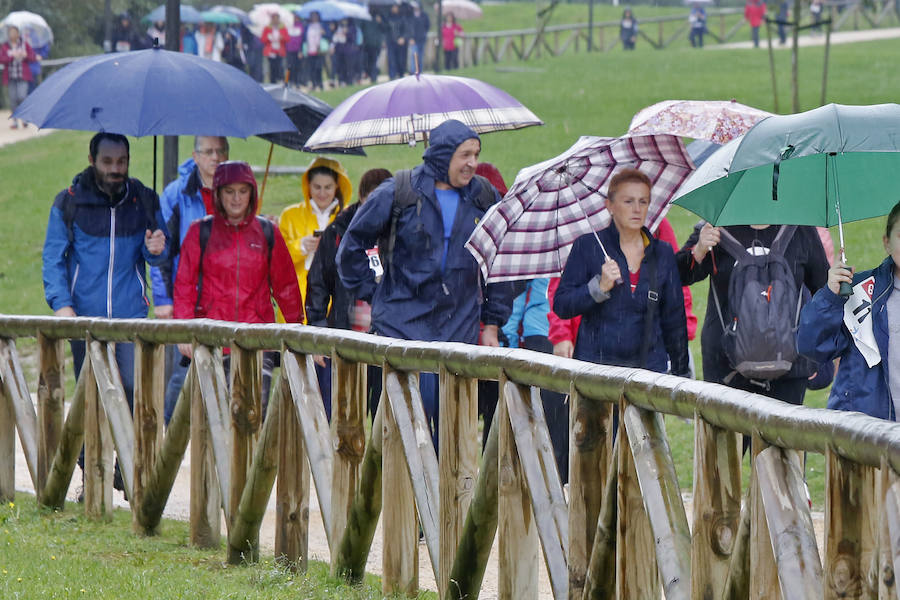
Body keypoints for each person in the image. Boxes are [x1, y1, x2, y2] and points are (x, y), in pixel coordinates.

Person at [337, 119, 514, 448]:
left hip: (458, 329)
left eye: (476, 154)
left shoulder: (483, 196)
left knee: (452, 435)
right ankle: (399, 500)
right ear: (443, 155)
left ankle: (447, 500)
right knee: (403, 431)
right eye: (464, 155)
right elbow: (350, 248)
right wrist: (376, 295)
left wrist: (491, 322)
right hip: (401, 329)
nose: (472, 163)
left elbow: (501, 260)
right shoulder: (398, 191)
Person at [42, 132, 169, 495]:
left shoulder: (144, 198)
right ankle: (88, 478)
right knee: (90, 397)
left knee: (134, 389)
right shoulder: (69, 203)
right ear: (92, 159)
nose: (116, 169)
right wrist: (63, 307)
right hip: (85, 318)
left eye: (122, 162)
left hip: (130, 316)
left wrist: (156, 249)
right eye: (108, 162)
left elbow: (156, 257)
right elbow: (53, 259)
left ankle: (127, 467)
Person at [173, 161, 303, 411]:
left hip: (258, 338)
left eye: (243, 191)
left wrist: (298, 329)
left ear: (252, 193)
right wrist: (184, 328)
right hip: (211, 338)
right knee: (212, 418)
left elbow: (286, 285)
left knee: (254, 414)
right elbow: (185, 284)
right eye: (229, 191)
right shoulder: (200, 232)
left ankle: (252, 453)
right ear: (218, 193)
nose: (236, 198)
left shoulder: (268, 232)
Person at [676, 221, 828, 416]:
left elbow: (822, 289)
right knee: (727, 446)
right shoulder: (715, 227)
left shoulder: (800, 228)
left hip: (789, 367)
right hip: (726, 369)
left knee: (785, 444)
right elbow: (678, 276)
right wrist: (699, 250)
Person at [553, 168, 690, 379]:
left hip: (649, 376)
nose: (637, 209)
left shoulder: (662, 253)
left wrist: (681, 374)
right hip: (595, 375)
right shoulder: (587, 246)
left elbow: (674, 319)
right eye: (628, 201)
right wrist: (598, 288)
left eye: (643, 202)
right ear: (610, 206)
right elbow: (562, 305)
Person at [151, 136, 229, 424]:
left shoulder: (235, 191)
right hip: (187, 298)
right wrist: (163, 300)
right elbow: (161, 250)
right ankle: (169, 432)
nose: (216, 157)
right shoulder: (177, 194)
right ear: (195, 156)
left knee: (224, 370)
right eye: (209, 152)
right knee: (182, 372)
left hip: (225, 298)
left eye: (221, 151)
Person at [798, 203, 900, 421]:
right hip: (865, 437)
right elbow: (812, 346)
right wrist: (829, 297)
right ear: (887, 243)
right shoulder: (860, 292)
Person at [306, 168, 392, 418]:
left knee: (386, 419)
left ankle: (379, 460)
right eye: (372, 203)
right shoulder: (338, 231)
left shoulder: (401, 230)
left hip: (387, 339)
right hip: (345, 336)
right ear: (362, 199)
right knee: (341, 417)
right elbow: (318, 284)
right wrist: (318, 332)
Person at [0, 25, 37, 129]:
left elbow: (33, 57)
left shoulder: (24, 44)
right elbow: (2, 59)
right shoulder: (5, 46)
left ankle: (24, 118)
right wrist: (12, 56)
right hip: (11, 76)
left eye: (14, 32)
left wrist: (25, 55)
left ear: (18, 33)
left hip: (22, 76)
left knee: (22, 96)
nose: (12, 34)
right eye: (10, 32)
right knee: (13, 99)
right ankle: (15, 121)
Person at [302, 11, 327, 90]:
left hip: (319, 50)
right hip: (310, 49)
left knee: (318, 67)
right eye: (312, 16)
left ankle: (320, 83)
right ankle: (314, 83)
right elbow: (304, 37)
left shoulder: (322, 25)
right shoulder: (307, 26)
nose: (314, 17)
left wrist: (324, 33)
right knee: (311, 68)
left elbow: (328, 35)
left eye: (315, 16)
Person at [360, 12, 387, 83]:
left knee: (374, 61)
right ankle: (370, 75)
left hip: (376, 44)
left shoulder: (379, 20)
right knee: (368, 61)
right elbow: (362, 29)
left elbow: (384, 29)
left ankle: (373, 77)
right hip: (368, 44)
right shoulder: (365, 19)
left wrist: (380, 22)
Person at [262, 12, 288, 83]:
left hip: (280, 51)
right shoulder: (267, 28)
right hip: (271, 51)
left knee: (280, 67)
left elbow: (287, 39)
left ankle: (280, 80)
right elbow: (263, 39)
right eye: (274, 19)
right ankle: (272, 81)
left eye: (277, 18)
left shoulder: (283, 28)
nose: (275, 20)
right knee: (272, 67)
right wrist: (268, 37)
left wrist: (282, 37)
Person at [386, 4, 409, 79]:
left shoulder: (402, 18)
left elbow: (406, 30)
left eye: (396, 7)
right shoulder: (388, 18)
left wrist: (403, 38)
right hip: (391, 42)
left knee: (400, 60)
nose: (394, 8)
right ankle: (392, 76)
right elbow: (386, 30)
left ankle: (401, 75)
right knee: (391, 60)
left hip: (400, 43)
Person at [408, 3, 430, 72]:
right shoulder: (410, 15)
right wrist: (410, 38)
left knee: (420, 56)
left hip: (422, 39)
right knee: (414, 55)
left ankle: (420, 71)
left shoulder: (424, 15)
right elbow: (408, 28)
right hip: (413, 39)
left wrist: (424, 33)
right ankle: (413, 71)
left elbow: (428, 25)